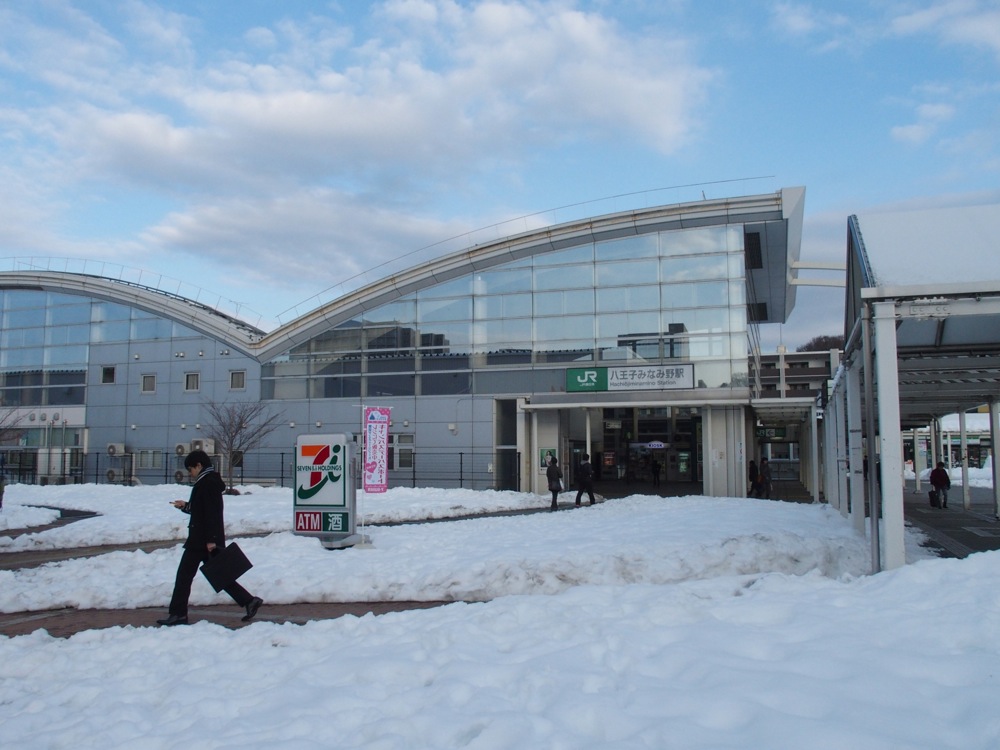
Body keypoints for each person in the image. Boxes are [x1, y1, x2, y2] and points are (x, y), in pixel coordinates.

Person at [157, 449, 263, 626]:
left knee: (184, 576)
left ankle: (178, 614)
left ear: (199, 465)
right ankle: (249, 601)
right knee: (219, 574)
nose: (190, 473)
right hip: (203, 539)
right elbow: (202, 509)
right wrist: (186, 506)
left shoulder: (208, 483)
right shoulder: (208, 481)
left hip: (201, 541)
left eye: (190, 469)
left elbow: (213, 513)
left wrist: (211, 540)